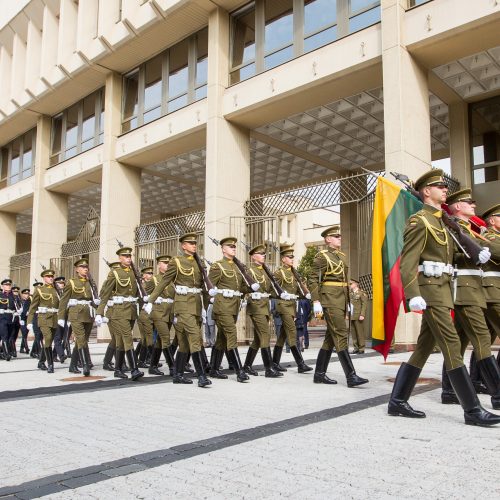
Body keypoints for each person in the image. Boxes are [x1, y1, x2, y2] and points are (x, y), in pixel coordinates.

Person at [387, 169, 500, 426]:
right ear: (426, 191)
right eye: (439, 186)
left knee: (424, 347)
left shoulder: (442, 222)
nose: (444, 190)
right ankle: (472, 410)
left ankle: (397, 402)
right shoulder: (420, 221)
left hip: (445, 289)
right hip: (430, 290)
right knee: (451, 346)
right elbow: (408, 263)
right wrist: (412, 293)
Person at [439, 190, 500, 410]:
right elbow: (449, 254)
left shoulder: (468, 230)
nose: (473, 205)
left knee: (459, 342)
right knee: (482, 339)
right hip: (464, 289)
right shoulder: (454, 228)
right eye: (468, 203)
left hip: (474, 289)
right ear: (456, 206)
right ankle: (497, 394)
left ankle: (448, 390)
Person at [145, 233, 211, 388]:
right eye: (190, 243)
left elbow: (202, 286)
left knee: (183, 343)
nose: (194, 245)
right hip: (182, 305)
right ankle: (201, 376)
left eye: (195, 243)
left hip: (196, 305)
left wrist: (208, 304)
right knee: (195, 338)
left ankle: (178, 375)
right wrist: (150, 300)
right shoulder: (177, 261)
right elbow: (164, 281)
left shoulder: (198, 262)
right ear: (183, 246)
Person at [309, 226, 368, 386]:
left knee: (330, 337)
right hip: (329, 299)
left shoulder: (342, 256)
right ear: (328, 239)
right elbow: (313, 279)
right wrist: (316, 301)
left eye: (340, 236)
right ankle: (351, 375)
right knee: (341, 333)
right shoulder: (321, 256)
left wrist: (348, 301)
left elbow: (344, 281)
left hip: (341, 299)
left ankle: (319, 374)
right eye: (336, 236)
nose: (339, 238)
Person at [95, 246, 144, 381]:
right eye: (125, 257)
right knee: (128, 338)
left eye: (130, 257)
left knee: (122, 342)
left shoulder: (134, 273)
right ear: (120, 258)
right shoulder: (115, 273)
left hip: (131, 310)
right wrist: (99, 312)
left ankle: (117, 369)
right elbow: (105, 295)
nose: (128, 259)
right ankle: (134, 369)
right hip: (119, 311)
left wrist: (146, 302)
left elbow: (138, 292)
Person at [208, 236, 252, 383]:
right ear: (223, 249)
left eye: (234, 246)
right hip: (222, 307)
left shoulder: (238, 266)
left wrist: (251, 287)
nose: (233, 248)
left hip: (234, 307)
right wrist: (209, 300)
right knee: (232, 335)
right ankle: (240, 371)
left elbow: (241, 287)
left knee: (221, 339)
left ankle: (213, 369)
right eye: (230, 246)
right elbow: (208, 286)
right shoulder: (217, 266)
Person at [243, 243, 282, 378]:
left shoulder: (265, 271)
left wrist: (282, 294)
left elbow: (270, 290)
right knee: (265, 335)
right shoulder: (249, 271)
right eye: (261, 254)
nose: (264, 256)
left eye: (264, 254)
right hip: (256, 305)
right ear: (254, 256)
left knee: (258, 340)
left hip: (265, 306)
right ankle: (268, 368)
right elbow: (245, 287)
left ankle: (247, 366)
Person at [272, 245, 313, 373]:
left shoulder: (294, 273)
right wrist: (280, 296)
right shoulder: (279, 273)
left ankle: (275, 363)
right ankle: (300, 364)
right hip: (283, 305)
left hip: (292, 305)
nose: (291, 259)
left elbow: (297, 289)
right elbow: (273, 288)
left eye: (292, 257)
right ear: (283, 259)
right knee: (292, 332)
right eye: (289, 257)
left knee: (282, 336)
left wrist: (306, 294)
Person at [57, 259, 97, 377]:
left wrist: (99, 312)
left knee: (83, 340)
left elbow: (94, 299)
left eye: (86, 267)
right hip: (76, 314)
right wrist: (61, 317)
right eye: (82, 267)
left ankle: (72, 365)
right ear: (77, 269)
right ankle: (85, 365)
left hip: (88, 314)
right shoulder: (71, 282)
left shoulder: (91, 283)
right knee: (80, 338)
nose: (85, 269)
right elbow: (64, 300)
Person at [27, 269, 60, 373]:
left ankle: (41, 362)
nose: (50, 278)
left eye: (52, 277)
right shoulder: (39, 290)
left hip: (55, 318)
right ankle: (50, 364)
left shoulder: (57, 290)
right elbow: (33, 307)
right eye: (48, 277)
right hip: (44, 318)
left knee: (50, 341)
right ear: (44, 278)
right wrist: (29, 321)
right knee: (48, 338)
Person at [147, 255, 175, 376]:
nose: (167, 265)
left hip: (169, 312)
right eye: (164, 263)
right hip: (158, 312)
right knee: (165, 338)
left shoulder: (173, 279)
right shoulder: (154, 279)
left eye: (169, 263)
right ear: (158, 265)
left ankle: (153, 366)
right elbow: (144, 293)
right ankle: (173, 367)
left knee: (159, 340)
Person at [481, 203, 500, 370]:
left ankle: (478, 379)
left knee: (485, 339)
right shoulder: (490, 237)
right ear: (492, 220)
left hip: (495, 291)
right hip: (491, 291)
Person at [136, 266, 155, 368]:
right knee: (149, 337)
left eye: (151, 273)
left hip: (151, 313)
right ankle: (152, 360)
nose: (150, 275)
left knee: (145, 339)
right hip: (144, 313)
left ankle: (141, 359)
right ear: (143, 275)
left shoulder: (151, 284)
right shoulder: (141, 286)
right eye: (148, 273)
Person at [349, 279, 368, 354]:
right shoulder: (350, 294)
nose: (350, 285)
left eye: (351, 284)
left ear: (356, 284)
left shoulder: (362, 293)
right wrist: (347, 315)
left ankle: (361, 348)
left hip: (358, 315)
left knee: (360, 333)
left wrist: (362, 314)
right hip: (352, 315)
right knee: (353, 332)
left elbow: (364, 305)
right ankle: (356, 347)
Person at [0, 278, 16, 361]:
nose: (8, 286)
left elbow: (16, 306)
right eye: (6, 285)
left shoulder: (12, 296)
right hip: (2, 318)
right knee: (4, 335)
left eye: (9, 285)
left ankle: (2, 352)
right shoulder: (0, 295)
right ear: (2, 286)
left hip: (10, 318)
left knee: (9, 336)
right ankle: (7, 354)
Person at [19, 288, 31, 354]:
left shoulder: (30, 301)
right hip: (21, 319)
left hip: (27, 319)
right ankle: (26, 348)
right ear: (22, 294)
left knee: (25, 334)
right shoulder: (20, 300)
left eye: (28, 294)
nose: (27, 295)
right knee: (24, 333)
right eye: (25, 294)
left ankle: (21, 348)